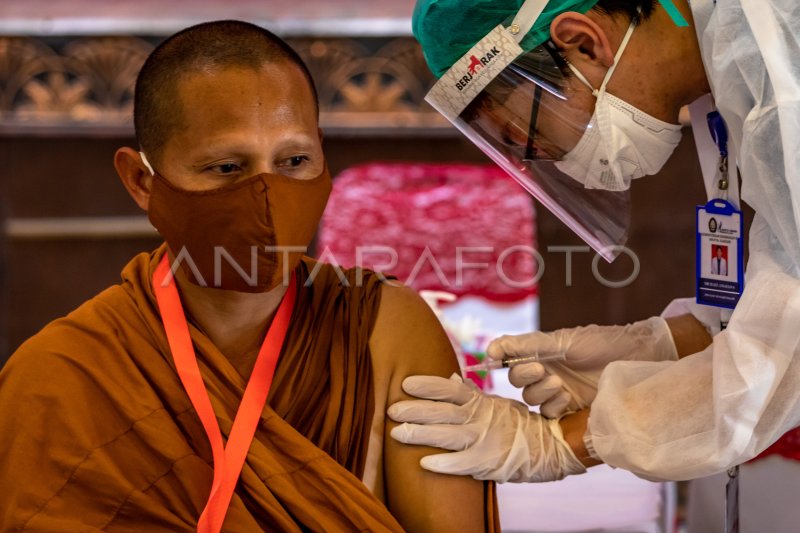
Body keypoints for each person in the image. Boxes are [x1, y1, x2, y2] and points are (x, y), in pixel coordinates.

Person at [0, 20, 499, 532]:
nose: (267, 196)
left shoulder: (384, 329)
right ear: (142, 182)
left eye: (295, 160)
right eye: (226, 167)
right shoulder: (60, 377)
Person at [388, 0, 800, 486]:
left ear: (584, 42)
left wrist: (566, 441)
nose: (546, 156)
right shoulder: (733, 61)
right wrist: (675, 344)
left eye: (528, 135)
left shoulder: (783, 77)